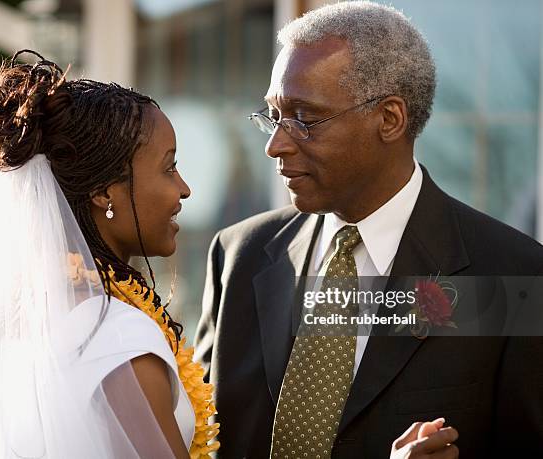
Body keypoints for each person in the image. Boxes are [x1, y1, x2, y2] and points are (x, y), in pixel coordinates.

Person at [194, 2, 543, 458]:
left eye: (303, 118)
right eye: (275, 116)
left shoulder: (511, 273)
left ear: (390, 119)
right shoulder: (237, 255)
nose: (275, 145)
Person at [0, 50, 219, 458]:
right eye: (169, 168)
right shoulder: (117, 334)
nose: (184, 188)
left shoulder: (11, 322)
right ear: (104, 192)